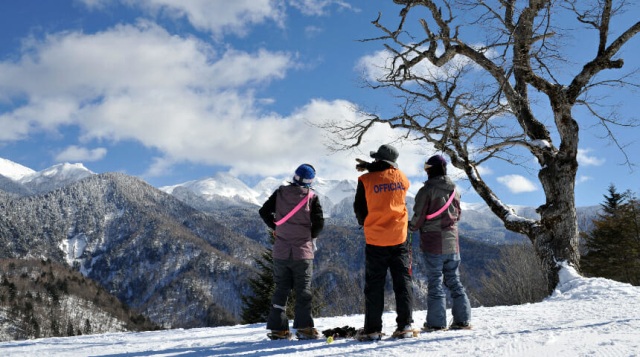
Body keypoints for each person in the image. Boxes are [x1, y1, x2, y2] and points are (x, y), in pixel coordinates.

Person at [353, 144, 415, 341]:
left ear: (378, 160)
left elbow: (359, 209)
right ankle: (404, 326)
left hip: (376, 238)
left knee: (375, 285)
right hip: (399, 237)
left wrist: (365, 223)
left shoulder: (365, 180)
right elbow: (387, 175)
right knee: (402, 282)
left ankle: (372, 329)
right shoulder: (402, 178)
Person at [258, 163, 325, 340]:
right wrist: (308, 235)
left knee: (281, 288)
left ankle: (278, 330)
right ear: (311, 181)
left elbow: (264, 211)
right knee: (303, 290)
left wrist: (276, 226)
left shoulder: (280, 192)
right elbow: (319, 224)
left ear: (294, 177)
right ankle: (304, 328)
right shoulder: (311, 197)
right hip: (302, 252)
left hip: (281, 252)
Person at [409, 154, 471, 331]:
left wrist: (411, 227)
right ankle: (463, 320)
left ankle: (436, 323)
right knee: (454, 280)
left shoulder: (426, 191)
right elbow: (457, 215)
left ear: (431, 170)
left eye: (427, 169)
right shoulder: (455, 190)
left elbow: (419, 216)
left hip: (433, 242)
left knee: (435, 282)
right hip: (453, 242)